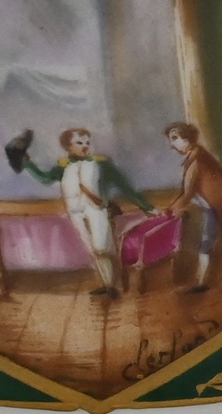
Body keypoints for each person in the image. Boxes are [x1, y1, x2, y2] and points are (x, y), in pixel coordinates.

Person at [8, 124, 148, 294]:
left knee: (103, 247)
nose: (85, 146)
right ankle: (108, 285)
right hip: (76, 212)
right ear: (68, 147)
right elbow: (45, 179)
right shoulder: (63, 166)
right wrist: (28, 163)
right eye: (79, 143)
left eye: (87, 142)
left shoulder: (101, 163)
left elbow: (124, 185)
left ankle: (116, 284)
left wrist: (146, 206)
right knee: (93, 249)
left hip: (97, 209)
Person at [164, 121, 222, 291]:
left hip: (217, 204)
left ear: (187, 138)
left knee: (215, 239)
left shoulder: (196, 160)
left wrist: (172, 209)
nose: (172, 144)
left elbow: (189, 192)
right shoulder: (197, 155)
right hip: (216, 204)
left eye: (175, 138)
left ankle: (205, 282)